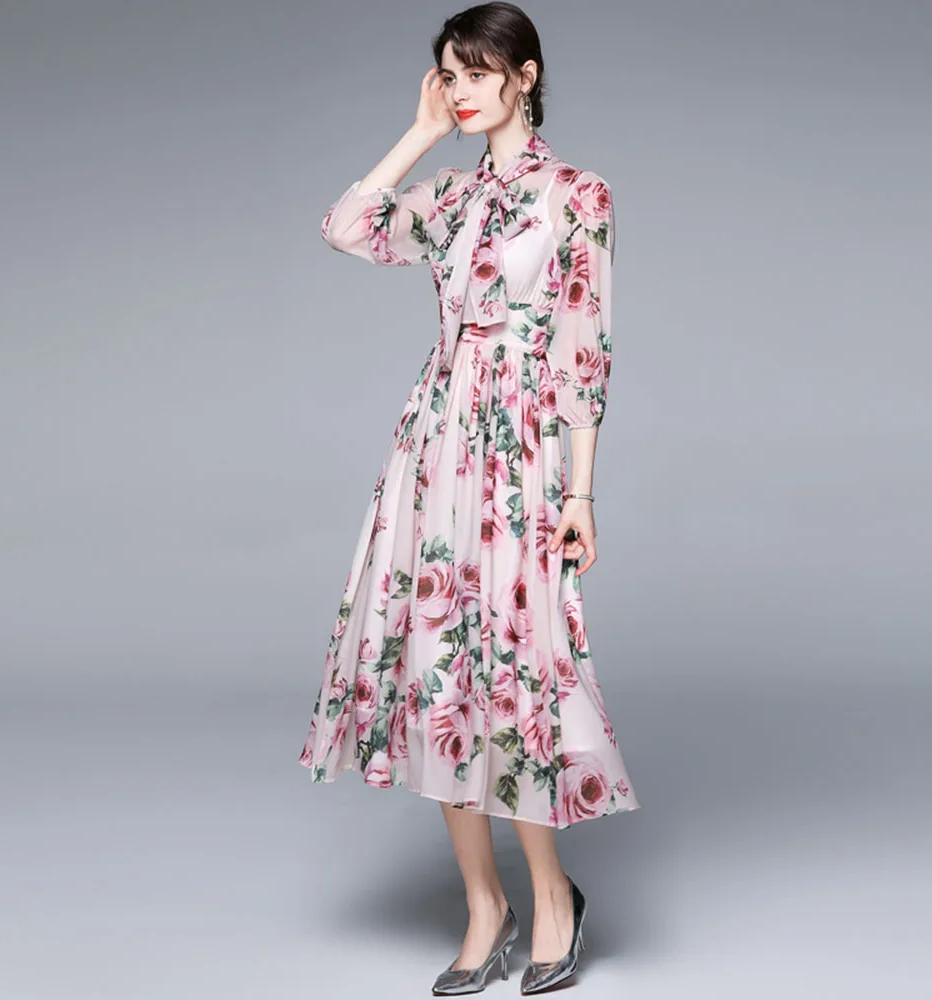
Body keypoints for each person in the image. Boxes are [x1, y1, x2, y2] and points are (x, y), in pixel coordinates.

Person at [297, 3, 639, 994]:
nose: (461, 90)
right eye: (449, 74)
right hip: (435, 446)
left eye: (478, 72)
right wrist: (419, 132)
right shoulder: (450, 197)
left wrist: (581, 492)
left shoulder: (578, 195)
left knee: (518, 668)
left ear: (524, 76)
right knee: (438, 665)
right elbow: (345, 227)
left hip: (521, 453)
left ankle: (553, 895)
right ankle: (484, 905)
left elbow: (585, 352)